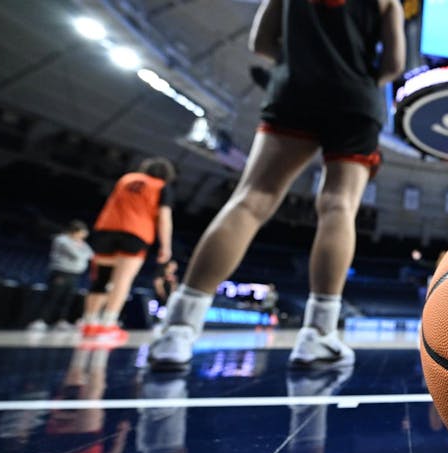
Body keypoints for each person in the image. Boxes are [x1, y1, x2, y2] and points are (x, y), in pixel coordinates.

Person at [149, 0, 406, 368]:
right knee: (339, 207)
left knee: (251, 200)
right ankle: (318, 336)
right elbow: (394, 65)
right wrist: (357, 74)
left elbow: (261, 42)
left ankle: (177, 330)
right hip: (355, 99)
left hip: (294, 89)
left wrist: (300, 60)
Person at [82, 158, 175, 339]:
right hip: (136, 233)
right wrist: (166, 246)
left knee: (101, 278)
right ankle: (108, 324)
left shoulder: (126, 178)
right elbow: (164, 218)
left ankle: (89, 323)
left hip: (107, 229)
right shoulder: (161, 187)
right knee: (122, 280)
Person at [27, 220, 93, 331]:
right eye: (82, 233)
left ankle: (61, 321)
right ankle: (40, 320)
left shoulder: (81, 243)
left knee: (67, 299)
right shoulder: (61, 240)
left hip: (75, 274)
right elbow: (76, 255)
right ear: (75, 231)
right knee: (53, 296)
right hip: (61, 272)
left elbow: (91, 254)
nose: (83, 236)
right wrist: (81, 250)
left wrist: (82, 249)